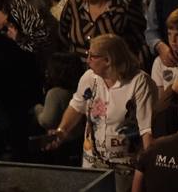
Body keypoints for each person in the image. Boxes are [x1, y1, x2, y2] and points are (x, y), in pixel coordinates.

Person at [47, 33, 155, 187]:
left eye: (92, 56)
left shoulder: (138, 82)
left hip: (124, 167)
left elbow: (146, 129)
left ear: (108, 60)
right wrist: (61, 130)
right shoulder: (90, 78)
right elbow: (77, 106)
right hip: (93, 165)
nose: (88, 59)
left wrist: (147, 170)